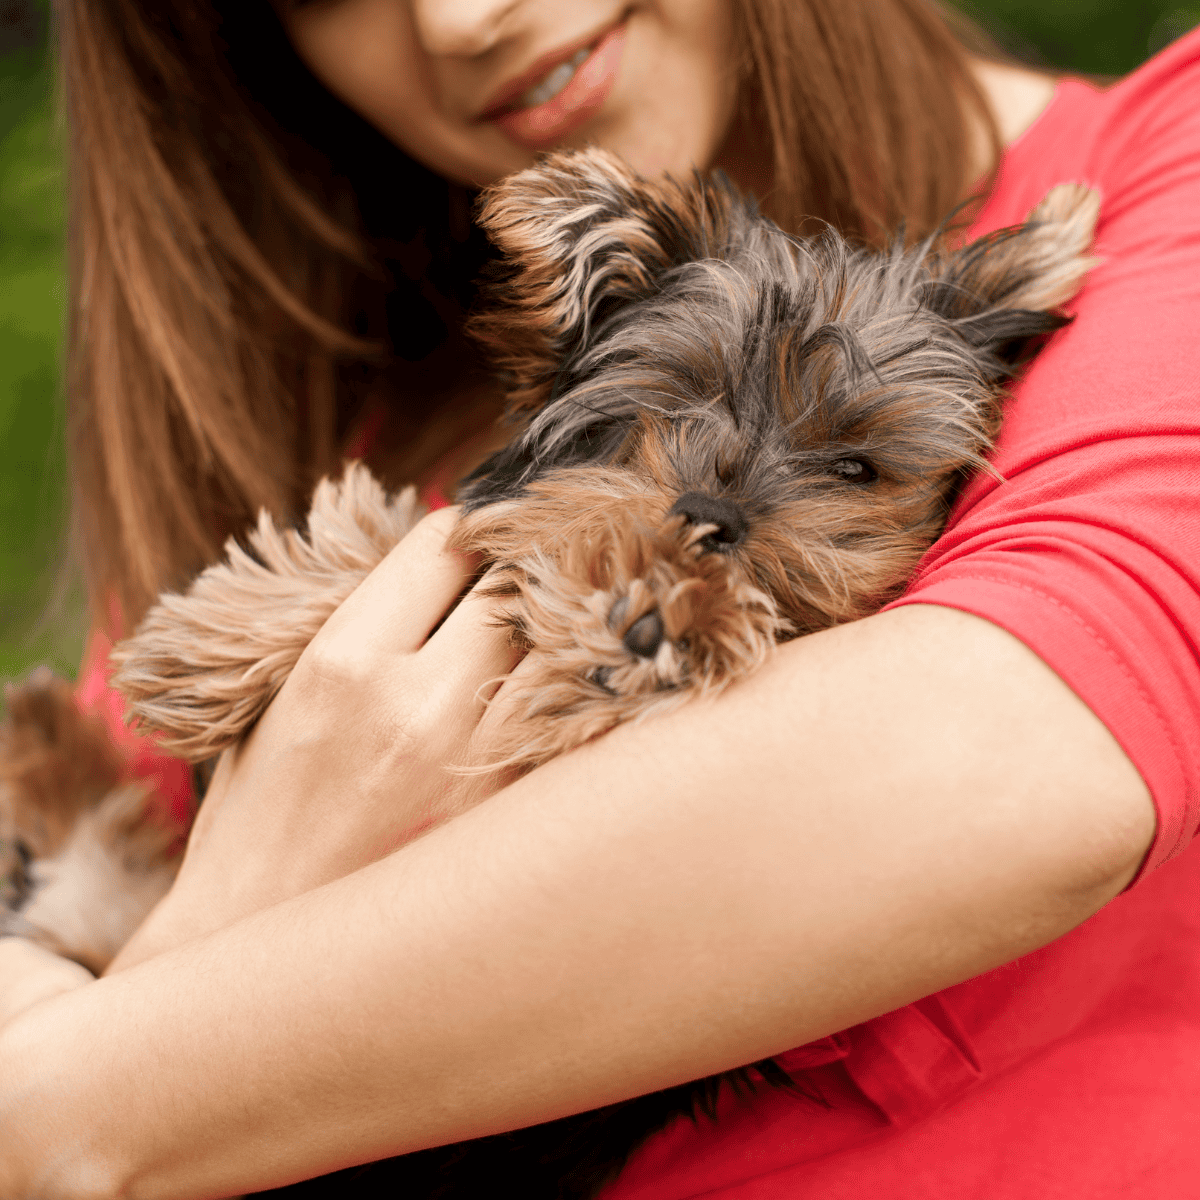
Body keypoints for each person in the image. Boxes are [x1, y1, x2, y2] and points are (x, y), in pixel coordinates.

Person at [1, 0, 1197, 1195]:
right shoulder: (334, 426)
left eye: (846, 469)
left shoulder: (1164, 187)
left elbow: (1026, 759)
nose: (465, 19)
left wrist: (80, 1097)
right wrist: (188, 938)